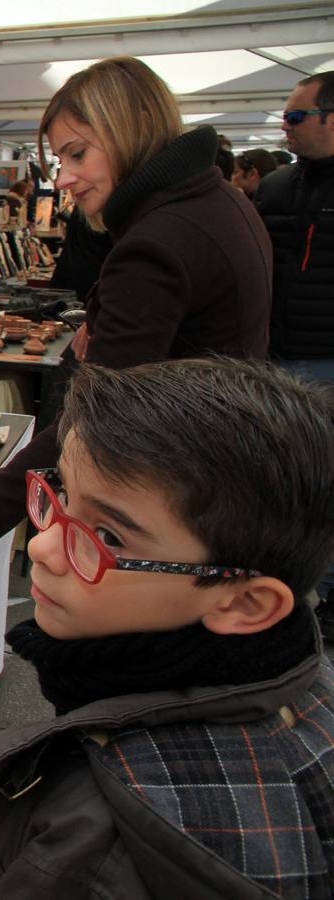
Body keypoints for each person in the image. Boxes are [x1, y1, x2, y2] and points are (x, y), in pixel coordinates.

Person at [0, 357, 334, 898]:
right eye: (61, 498)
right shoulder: (292, 683)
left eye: (109, 536)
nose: (43, 547)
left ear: (245, 604)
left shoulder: (94, 846)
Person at [0, 57, 272, 579]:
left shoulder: (157, 241)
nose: (65, 179)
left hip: (180, 486)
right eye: (61, 160)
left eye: (77, 154)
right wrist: (105, 316)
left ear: (128, 130)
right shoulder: (217, 201)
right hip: (224, 457)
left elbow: (97, 419)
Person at [253, 70, 334, 618]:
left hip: (328, 358)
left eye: (297, 115)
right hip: (275, 358)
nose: (287, 123)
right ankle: (282, 585)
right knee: (278, 479)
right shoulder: (277, 187)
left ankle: (324, 594)